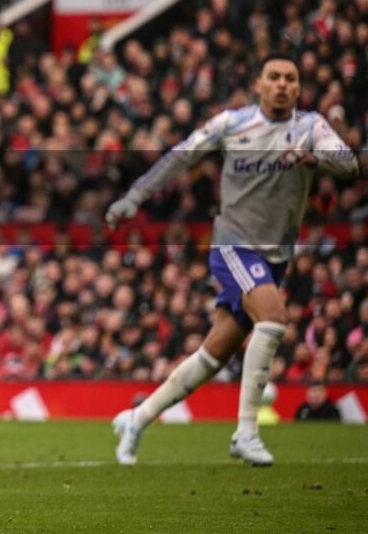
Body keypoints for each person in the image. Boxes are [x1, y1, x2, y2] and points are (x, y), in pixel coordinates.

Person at [109, 53, 358, 466]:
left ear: (298, 87)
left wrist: (315, 158)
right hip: (233, 244)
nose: (281, 84)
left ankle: (137, 418)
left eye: (290, 79)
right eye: (274, 77)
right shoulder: (233, 124)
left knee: (214, 354)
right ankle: (246, 431)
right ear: (259, 84)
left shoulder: (310, 127)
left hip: (275, 255)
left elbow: (349, 164)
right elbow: (181, 156)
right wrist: (134, 196)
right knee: (274, 317)